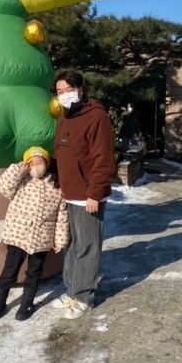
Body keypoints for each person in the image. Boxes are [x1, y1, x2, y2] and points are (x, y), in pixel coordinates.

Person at [51, 70, 117, 319]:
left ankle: (84, 296)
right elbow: (61, 154)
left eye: (68, 90)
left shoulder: (96, 117)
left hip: (88, 195)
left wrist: (95, 193)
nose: (64, 95)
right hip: (69, 194)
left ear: (80, 89)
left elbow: (104, 157)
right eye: (59, 92)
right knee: (73, 245)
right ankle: (71, 291)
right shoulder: (64, 118)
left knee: (88, 246)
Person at [0, 147, 69, 321]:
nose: (36, 166)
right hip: (18, 235)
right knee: (10, 270)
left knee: (34, 273)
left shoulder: (56, 186)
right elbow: (4, 185)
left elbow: (62, 216)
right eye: (31, 163)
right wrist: (19, 169)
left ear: (47, 164)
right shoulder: (21, 181)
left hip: (42, 237)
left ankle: (26, 304)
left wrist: (60, 240)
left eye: (39, 162)